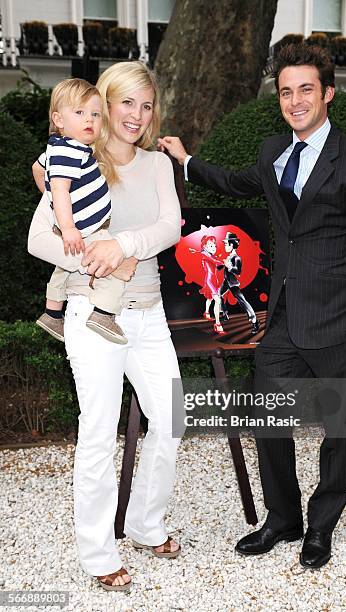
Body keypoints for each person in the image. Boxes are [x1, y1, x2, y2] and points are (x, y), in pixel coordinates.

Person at [158, 43, 346, 569]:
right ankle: (283, 519)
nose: (295, 100)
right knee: (269, 419)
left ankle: (321, 525)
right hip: (283, 318)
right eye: (286, 91)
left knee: (337, 432)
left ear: (328, 93)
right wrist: (187, 161)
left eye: (306, 89)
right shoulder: (272, 154)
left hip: (340, 319)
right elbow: (237, 184)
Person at [28, 61, 184, 591]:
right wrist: (93, 259)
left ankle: (144, 524)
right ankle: (98, 554)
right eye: (127, 103)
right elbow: (39, 240)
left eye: (147, 105)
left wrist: (124, 244)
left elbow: (170, 227)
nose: (137, 115)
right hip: (90, 316)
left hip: (150, 312)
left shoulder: (159, 165)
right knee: (98, 431)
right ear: (104, 103)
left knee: (171, 420)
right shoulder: (72, 161)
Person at [32, 78, 128, 345]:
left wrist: (52, 202)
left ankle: (52, 313)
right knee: (110, 265)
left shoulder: (57, 147)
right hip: (87, 229)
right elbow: (61, 189)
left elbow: (38, 169)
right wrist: (68, 225)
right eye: (79, 112)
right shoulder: (70, 151)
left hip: (78, 227)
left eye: (95, 114)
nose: (90, 120)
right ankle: (104, 313)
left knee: (63, 267)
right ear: (58, 119)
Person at [219, 232, 259, 335]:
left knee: (242, 301)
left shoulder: (237, 258)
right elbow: (221, 267)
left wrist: (229, 267)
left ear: (231, 245)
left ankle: (254, 321)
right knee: (218, 295)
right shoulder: (228, 257)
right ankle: (225, 314)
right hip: (226, 281)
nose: (224, 246)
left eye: (226, 244)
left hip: (232, 283)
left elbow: (238, 272)